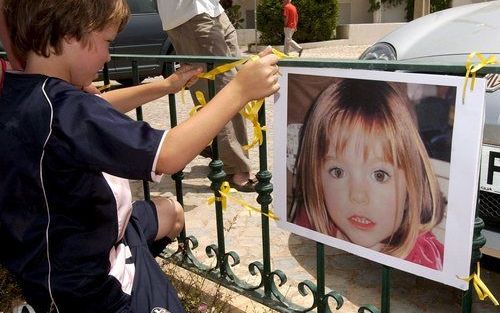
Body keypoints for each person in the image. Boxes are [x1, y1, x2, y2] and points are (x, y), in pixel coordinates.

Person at [0, 1, 280, 312]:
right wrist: (240, 89)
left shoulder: (27, 90)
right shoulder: (66, 108)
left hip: (79, 236)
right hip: (84, 289)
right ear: (69, 35)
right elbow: (170, 155)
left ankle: (140, 270)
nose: (108, 56)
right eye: (107, 42)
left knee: (171, 212)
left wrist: (166, 86)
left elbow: (98, 108)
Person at [290, 79, 445, 270]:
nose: (358, 196)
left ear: (413, 184)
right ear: (316, 178)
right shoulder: (310, 226)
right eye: (337, 172)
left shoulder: (427, 262)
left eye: (380, 175)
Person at [157, 0, 256, 192]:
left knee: (237, 78)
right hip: (189, 14)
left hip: (211, 8)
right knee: (226, 89)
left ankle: (210, 140)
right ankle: (234, 168)